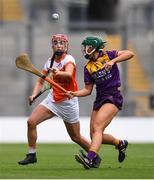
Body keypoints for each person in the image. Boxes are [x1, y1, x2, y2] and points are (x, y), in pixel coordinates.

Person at [18, 34, 102, 168]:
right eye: (56, 43)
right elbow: (41, 80)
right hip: (52, 100)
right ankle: (31, 154)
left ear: (66, 46)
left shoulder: (69, 59)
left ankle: (95, 156)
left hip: (68, 101)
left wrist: (57, 73)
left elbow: (68, 75)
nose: (59, 45)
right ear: (52, 46)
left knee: (75, 137)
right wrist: (34, 95)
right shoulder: (49, 62)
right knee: (31, 122)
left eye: (62, 43)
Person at [69, 36, 134, 169]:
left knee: (98, 128)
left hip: (113, 96)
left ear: (95, 48)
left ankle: (90, 159)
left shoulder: (108, 55)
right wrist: (74, 94)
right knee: (93, 135)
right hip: (99, 98)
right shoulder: (88, 68)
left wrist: (113, 61)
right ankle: (120, 144)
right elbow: (87, 90)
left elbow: (130, 53)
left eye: (88, 47)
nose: (85, 50)